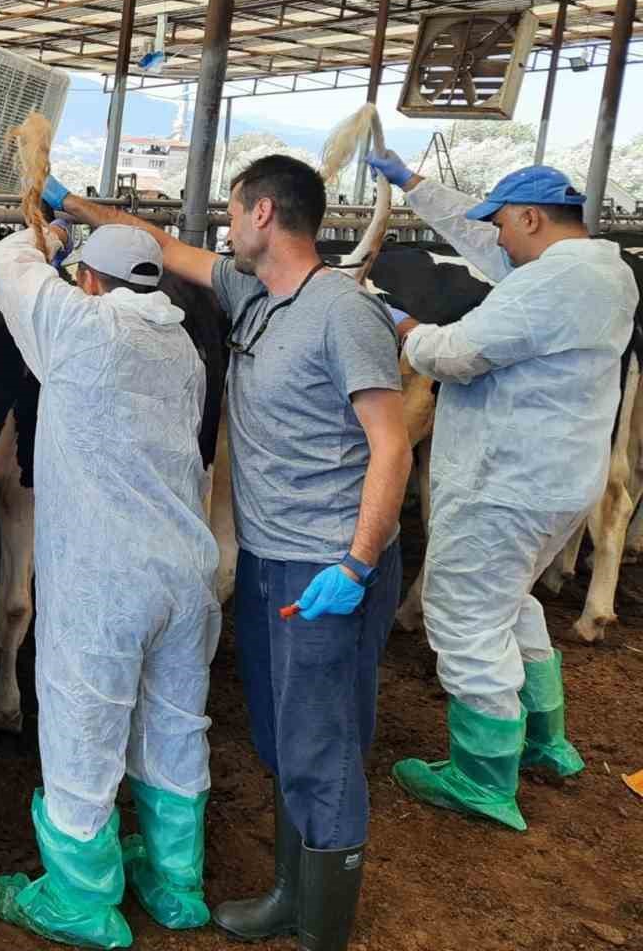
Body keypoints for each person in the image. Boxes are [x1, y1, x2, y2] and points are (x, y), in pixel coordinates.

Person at [43, 155, 412, 951]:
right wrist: (64, 200)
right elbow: (158, 245)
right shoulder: (257, 297)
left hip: (327, 563)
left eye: (234, 212)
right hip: (269, 556)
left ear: (265, 214)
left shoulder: (342, 311)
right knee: (282, 738)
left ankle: (323, 930)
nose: (226, 227)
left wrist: (356, 564)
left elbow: (393, 444)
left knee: (322, 742)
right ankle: (289, 894)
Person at [365, 152, 638, 830]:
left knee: (462, 618)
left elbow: (455, 354)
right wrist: (409, 182)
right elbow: (485, 241)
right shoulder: (602, 269)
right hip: (558, 482)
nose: (499, 241)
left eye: (505, 227)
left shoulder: (548, 287)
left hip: (504, 483)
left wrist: (402, 325)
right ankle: (546, 740)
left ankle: (482, 777)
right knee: (510, 603)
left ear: (532, 217)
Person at [0, 219, 222, 949]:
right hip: (187, 570)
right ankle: (176, 884)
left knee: (82, 725)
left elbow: (5, 267)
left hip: (104, 578)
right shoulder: (183, 348)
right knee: (175, 723)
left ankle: (81, 901)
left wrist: (42, 237)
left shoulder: (76, 325)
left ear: (89, 279)